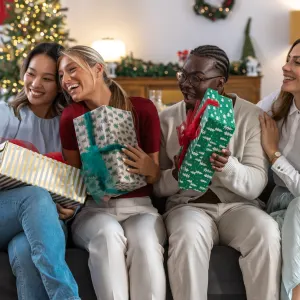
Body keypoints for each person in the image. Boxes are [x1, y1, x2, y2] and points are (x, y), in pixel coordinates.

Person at [154, 45, 281, 300]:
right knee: (187, 236)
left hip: (238, 207)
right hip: (187, 206)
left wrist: (228, 166)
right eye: (184, 75)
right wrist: (177, 174)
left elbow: (256, 184)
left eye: (197, 78)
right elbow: (156, 186)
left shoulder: (250, 116)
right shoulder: (167, 119)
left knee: (266, 231)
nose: (186, 84)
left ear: (220, 83)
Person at [58, 45, 166, 300]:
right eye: (61, 75)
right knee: (108, 235)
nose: (65, 80)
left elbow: (153, 176)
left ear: (98, 68)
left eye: (72, 70)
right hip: (95, 210)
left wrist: (151, 169)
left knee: (146, 242)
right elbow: (73, 180)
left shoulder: (142, 108)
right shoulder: (71, 116)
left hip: (140, 207)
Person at [0, 42, 80, 300]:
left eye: (47, 78)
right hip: (5, 213)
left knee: (25, 251)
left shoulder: (67, 124)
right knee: (35, 195)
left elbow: (76, 183)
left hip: (47, 221)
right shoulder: (5, 114)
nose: (35, 83)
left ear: (60, 84)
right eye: (31, 73)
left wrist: (71, 209)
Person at [258, 38, 300, 300]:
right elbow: (241, 116)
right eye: (288, 59)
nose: (285, 67)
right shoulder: (278, 102)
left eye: (297, 63)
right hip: (282, 201)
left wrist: (274, 154)